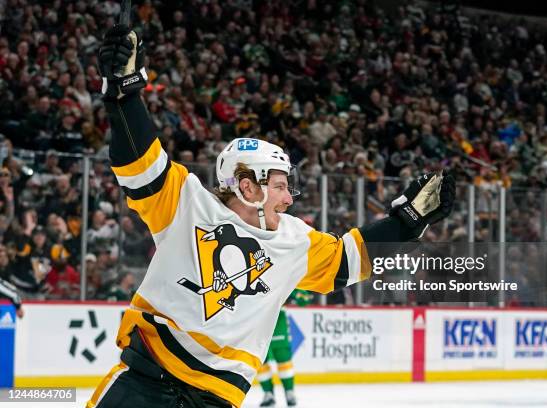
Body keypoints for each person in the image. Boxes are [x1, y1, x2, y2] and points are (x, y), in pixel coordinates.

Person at [88, 24, 455, 408]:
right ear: (248, 187)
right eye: (280, 186)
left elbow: (350, 259)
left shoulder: (295, 240)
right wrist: (125, 93)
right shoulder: (187, 203)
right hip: (141, 388)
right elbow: (141, 163)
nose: (288, 199)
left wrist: (408, 220)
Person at [258, 290, 313, 407]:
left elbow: (304, 300)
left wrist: (295, 294)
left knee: (284, 361)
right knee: (261, 362)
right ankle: (268, 393)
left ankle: (289, 392)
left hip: (278, 324)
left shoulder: (282, 273)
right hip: (258, 324)